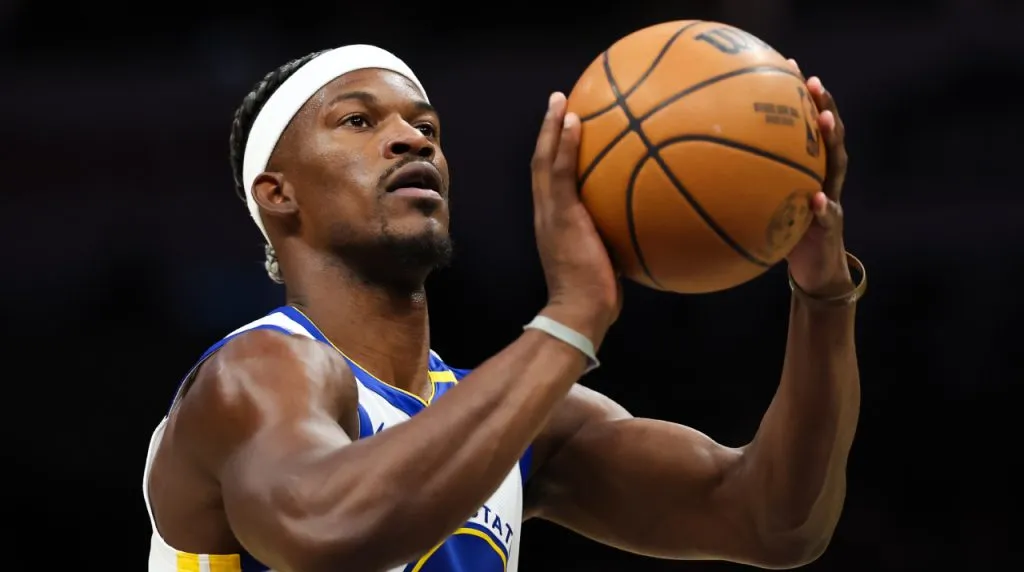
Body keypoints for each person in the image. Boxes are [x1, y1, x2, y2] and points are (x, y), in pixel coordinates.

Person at [143, 44, 864, 572]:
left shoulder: (521, 419)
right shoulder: (254, 372)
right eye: (358, 122)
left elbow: (775, 521)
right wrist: (572, 319)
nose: (411, 138)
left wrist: (824, 297)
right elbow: (330, 528)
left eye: (427, 127)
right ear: (278, 194)